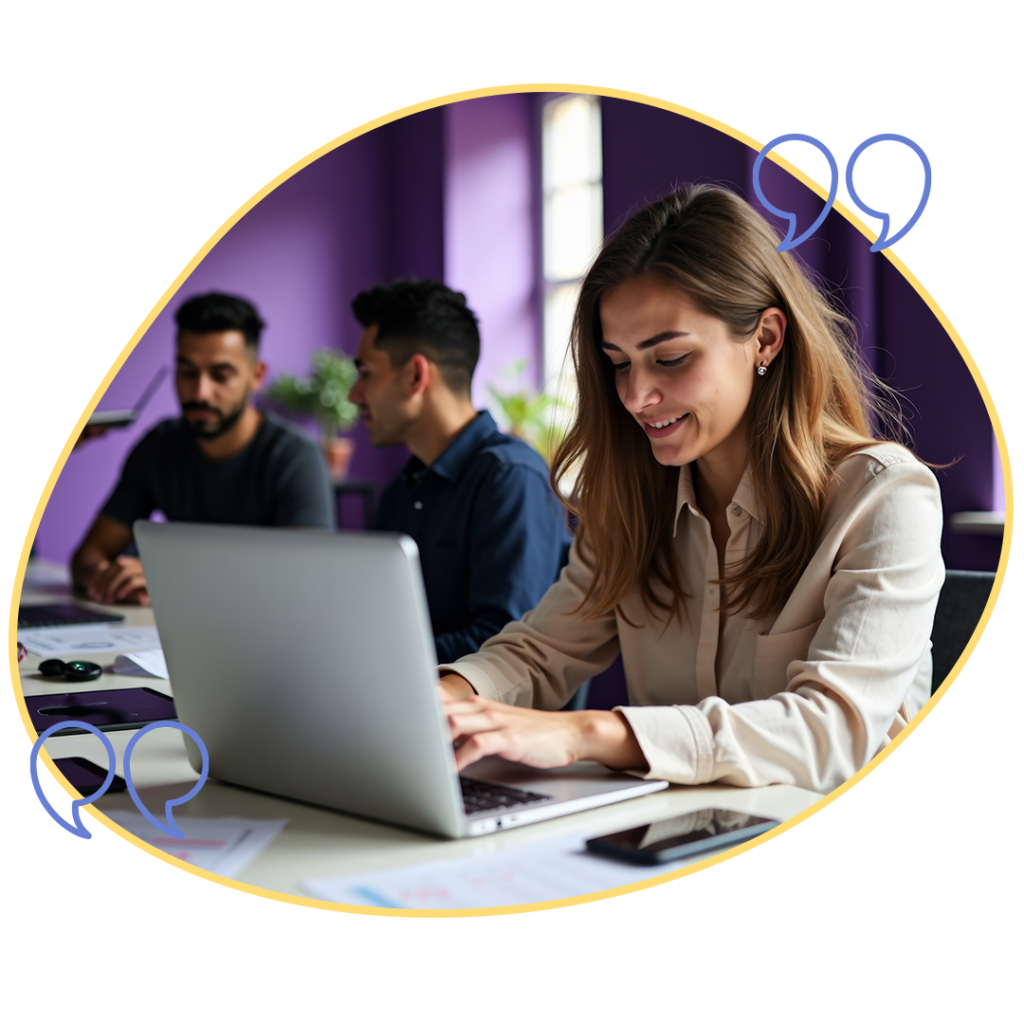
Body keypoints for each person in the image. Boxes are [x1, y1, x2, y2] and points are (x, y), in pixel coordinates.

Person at [438, 184, 945, 795]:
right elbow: (540, 652)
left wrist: (584, 733)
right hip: (673, 837)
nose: (634, 395)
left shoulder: (884, 497)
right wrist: (445, 698)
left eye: (670, 358)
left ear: (766, 339)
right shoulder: (631, 498)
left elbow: (831, 729)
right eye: (619, 362)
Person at [349, 279, 571, 663]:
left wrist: (370, 657)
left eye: (365, 372)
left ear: (416, 376)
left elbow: (504, 647)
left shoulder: (509, 477)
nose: (355, 394)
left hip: (490, 717)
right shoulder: (400, 492)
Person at [72, 292, 334, 605]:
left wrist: (172, 578)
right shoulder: (159, 446)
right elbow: (89, 556)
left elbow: (309, 581)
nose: (200, 391)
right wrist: (108, 579)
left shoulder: (294, 458)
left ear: (257, 376)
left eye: (220, 376)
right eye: (187, 372)